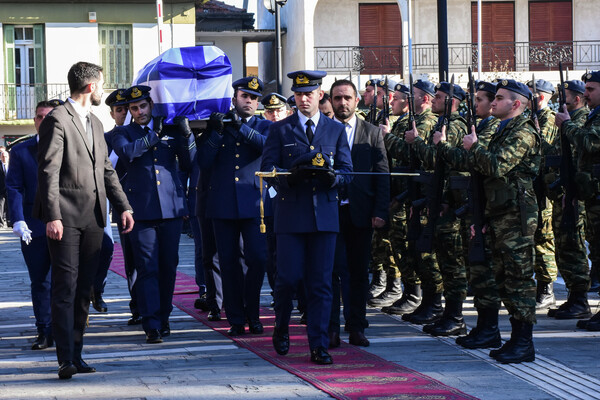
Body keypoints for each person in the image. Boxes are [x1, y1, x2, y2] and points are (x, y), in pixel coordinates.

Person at [34, 61, 134, 379]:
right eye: (101, 84)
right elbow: (48, 171)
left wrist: (124, 207)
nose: (102, 90)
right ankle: (64, 358)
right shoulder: (57, 120)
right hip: (64, 218)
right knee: (65, 287)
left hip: (93, 218)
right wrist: (52, 216)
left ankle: (77, 353)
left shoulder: (94, 122)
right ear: (90, 87)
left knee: (84, 289)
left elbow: (105, 169)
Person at [261, 70, 353, 365]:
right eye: (299, 94)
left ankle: (319, 344)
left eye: (309, 94)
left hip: (324, 217)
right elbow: (268, 171)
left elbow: (348, 172)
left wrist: (332, 179)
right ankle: (281, 326)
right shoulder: (280, 130)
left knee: (321, 283)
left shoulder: (335, 130)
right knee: (287, 279)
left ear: (319, 95)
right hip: (291, 215)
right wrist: (291, 178)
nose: (303, 99)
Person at [463, 79, 540, 363]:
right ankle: (513, 338)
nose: (492, 103)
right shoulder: (503, 130)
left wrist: (474, 148)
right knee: (504, 279)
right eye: (493, 98)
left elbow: (497, 166)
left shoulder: (522, 132)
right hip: (499, 212)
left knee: (518, 279)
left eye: (499, 98)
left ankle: (524, 342)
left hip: (516, 215)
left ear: (516, 104)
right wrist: (481, 216)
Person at [112, 85, 194, 344]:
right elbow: (127, 154)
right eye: (134, 108)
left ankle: (164, 316)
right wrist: (153, 136)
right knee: (147, 267)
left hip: (170, 209)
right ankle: (151, 323)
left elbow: (190, 162)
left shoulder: (168, 130)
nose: (139, 112)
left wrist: (187, 135)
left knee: (168, 265)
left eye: (143, 106)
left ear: (151, 105)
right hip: (141, 211)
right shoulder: (121, 133)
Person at [197, 77, 270, 336]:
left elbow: (266, 147)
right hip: (223, 205)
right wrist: (216, 132)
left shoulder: (264, 126)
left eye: (253, 97)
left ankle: (253, 312)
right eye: (244, 95)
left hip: (254, 205)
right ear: (234, 97)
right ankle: (237, 318)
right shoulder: (218, 124)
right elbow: (203, 161)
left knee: (258, 260)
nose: (248, 100)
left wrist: (242, 129)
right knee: (228, 262)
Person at [434, 81, 503, 350]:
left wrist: (443, 147)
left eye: (482, 100)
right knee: (476, 269)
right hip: (474, 206)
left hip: (489, 208)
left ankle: (489, 328)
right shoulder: (484, 126)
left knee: (483, 271)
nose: (478, 105)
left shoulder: (493, 128)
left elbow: (469, 161)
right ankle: (483, 327)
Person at [328, 79, 389, 348]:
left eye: (347, 98)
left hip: (361, 213)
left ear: (356, 101)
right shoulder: (323, 130)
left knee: (357, 272)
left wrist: (380, 211)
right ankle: (329, 328)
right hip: (328, 212)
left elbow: (382, 174)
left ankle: (356, 327)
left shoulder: (372, 132)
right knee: (330, 272)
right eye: (337, 98)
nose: (342, 103)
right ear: (330, 100)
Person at [405, 81, 469, 336]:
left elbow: (435, 158)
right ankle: (446, 312)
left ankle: (455, 315)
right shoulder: (444, 124)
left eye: (440, 97)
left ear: (452, 102)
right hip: (443, 199)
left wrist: (417, 142)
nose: (434, 100)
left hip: (454, 205)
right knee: (443, 259)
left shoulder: (454, 126)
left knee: (452, 263)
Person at [382, 79, 439, 317]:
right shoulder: (408, 122)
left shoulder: (426, 123)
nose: (393, 101)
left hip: (415, 196)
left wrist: (387, 137)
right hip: (402, 193)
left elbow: (412, 154)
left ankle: (424, 297)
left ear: (423, 99)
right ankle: (412, 292)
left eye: (399, 98)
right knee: (403, 247)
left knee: (420, 251)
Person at [6, 100, 60, 351]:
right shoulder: (21, 151)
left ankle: (68, 329)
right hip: (34, 226)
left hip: (66, 224)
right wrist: (17, 219)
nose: (43, 121)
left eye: (49, 117)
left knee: (66, 280)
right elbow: (14, 187)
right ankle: (45, 330)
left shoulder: (68, 148)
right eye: (39, 117)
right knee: (41, 281)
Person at [556, 71, 600, 331]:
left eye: (591, 89)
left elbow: (592, 143)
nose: (586, 94)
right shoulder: (593, 114)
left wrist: (567, 125)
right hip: (591, 194)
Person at [546, 79, 592, 320]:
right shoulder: (567, 120)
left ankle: (580, 299)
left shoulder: (580, 119)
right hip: (562, 193)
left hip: (574, 195)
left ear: (576, 99)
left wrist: (570, 192)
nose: (559, 99)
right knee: (564, 247)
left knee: (573, 246)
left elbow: (578, 156)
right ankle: (573, 298)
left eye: (564, 95)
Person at [103, 88, 142, 324]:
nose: (125, 113)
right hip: (122, 207)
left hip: (146, 203)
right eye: (120, 110)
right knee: (132, 259)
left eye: (128, 108)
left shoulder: (141, 135)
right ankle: (137, 306)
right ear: (112, 114)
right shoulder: (105, 139)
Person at [527, 79, 559, 310]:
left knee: (544, 239)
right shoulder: (532, 118)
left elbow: (544, 150)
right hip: (532, 185)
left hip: (544, 189)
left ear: (541, 98)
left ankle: (546, 289)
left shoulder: (548, 119)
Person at [0, 146, 8, 228]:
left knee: (10, 206)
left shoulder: (12, 165)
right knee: (1, 207)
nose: (4, 158)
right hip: (1, 189)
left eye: (5, 156)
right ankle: (1, 223)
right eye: (2, 156)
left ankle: (10, 221)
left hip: (10, 189)